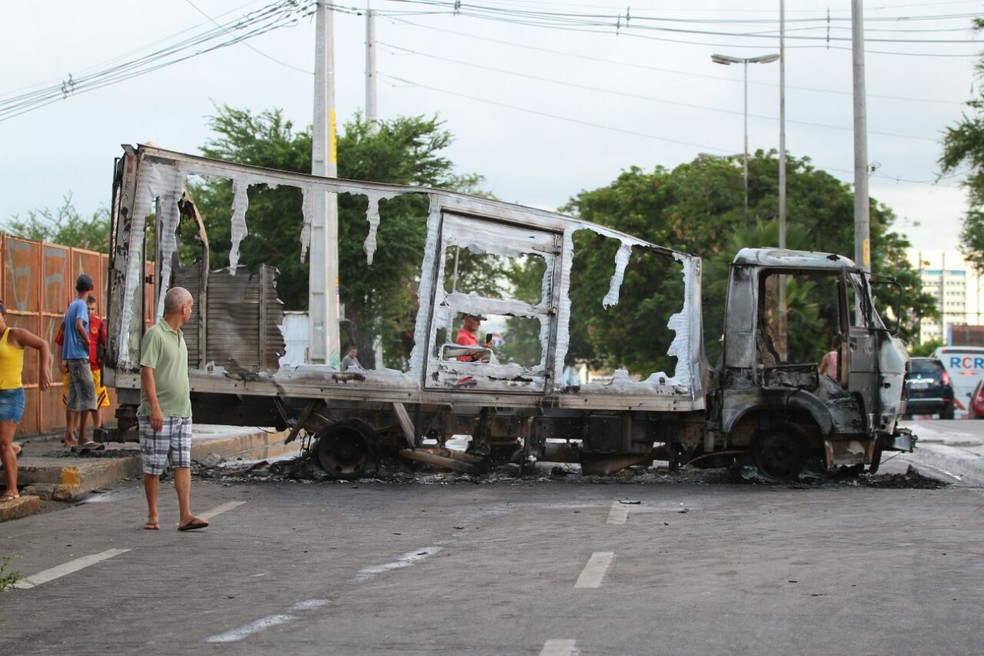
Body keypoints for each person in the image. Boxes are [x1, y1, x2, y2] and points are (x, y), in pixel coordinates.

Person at [138, 286, 208, 532]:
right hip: (160, 412)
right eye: (190, 306)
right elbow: (146, 371)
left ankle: (185, 515)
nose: (191, 311)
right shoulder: (155, 335)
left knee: (183, 463)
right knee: (154, 465)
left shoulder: (179, 336)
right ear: (182, 308)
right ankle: (152, 514)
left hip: (182, 412)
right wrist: (155, 408)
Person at [0, 301, 51, 503]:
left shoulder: (14, 334)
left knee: (3, 442)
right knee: (4, 443)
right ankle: (13, 449)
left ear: (4, 317)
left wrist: (43, 372)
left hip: (10, 395)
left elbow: (43, 344)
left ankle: (12, 489)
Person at [53, 295, 109, 441]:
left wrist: (105, 362)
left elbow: (105, 344)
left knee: (95, 401)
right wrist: (60, 361)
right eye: (88, 309)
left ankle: (95, 431)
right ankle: (75, 433)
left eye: (93, 309)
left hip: (94, 367)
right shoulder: (74, 321)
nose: (90, 312)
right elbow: (60, 341)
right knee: (80, 399)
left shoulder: (98, 324)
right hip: (78, 364)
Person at [61, 274, 100, 449]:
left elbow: (63, 326)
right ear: (91, 288)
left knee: (74, 396)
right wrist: (87, 341)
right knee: (89, 394)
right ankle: (83, 436)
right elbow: (79, 325)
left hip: (71, 357)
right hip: (79, 356)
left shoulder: (72, 305)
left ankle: (70, 435)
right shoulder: (82, 306)